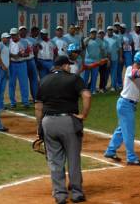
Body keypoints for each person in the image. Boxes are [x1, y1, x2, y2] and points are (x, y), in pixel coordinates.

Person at [35, 55, 92, 204]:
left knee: (55, 161)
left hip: (48, 123)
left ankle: (60, 195)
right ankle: (76, 193)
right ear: (65, 66)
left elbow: (38, 107)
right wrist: (84, 115)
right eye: (69, 65)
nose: (70, 67)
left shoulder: (44, 80)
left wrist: (39, 127)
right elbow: (86, 95)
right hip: (68, 122)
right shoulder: (73, 78)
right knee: (73, 158)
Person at [104, 50, 140, 166]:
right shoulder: (130, 69)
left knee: (121, 130)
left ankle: (110, 151)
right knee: (129, 132)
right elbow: (136, 74)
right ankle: (131, 157)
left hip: (128, 105)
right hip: (125, 104)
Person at [8, 28, 30, 108]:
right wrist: (15, 55)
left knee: (24, 84)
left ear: (18, 34)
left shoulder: (24, 42)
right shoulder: (8, 42)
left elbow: (28, 53)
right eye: (11, 35)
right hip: (12, 64)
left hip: (22, 64)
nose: (13, 36)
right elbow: (7, 54)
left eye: (14, 35)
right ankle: (12, 102)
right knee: (11, 84)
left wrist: (22, 55)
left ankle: (25, 102)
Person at [20, 26, 39, 102]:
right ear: (19, 32)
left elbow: (36, 50)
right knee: (24, 81)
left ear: (27, 31)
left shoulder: (32, 40)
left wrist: (36, 60)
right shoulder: (17, 40)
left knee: (34, 80)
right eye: (21, 30)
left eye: (24, 30)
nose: (23, 32)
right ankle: (25, 100)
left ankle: (35, 97)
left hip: (31, 60)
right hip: (22, 62)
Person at [82, 28, 102, 94]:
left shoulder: (98, 40)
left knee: (94, 77)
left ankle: (93, 90)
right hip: (87, 61)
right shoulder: (86, 40)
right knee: (85, 77)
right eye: (92, 33)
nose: (93, 34)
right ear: (90, 33)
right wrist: (89, 38)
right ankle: (84, 90)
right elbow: (83, 45)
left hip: (96, 61)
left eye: (94, 33)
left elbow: (101, 49)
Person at [105, 26, 121, 92]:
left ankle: (113, 86)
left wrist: (120, 57)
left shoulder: (117, 38)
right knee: (106, 73)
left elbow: (120, 48)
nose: (110, 31)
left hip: (115, 58)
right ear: (107, 31)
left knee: (114, 73)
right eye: (109, 30)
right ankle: (104, 86)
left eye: (111, 30)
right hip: (106, 59)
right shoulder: (104, 38)